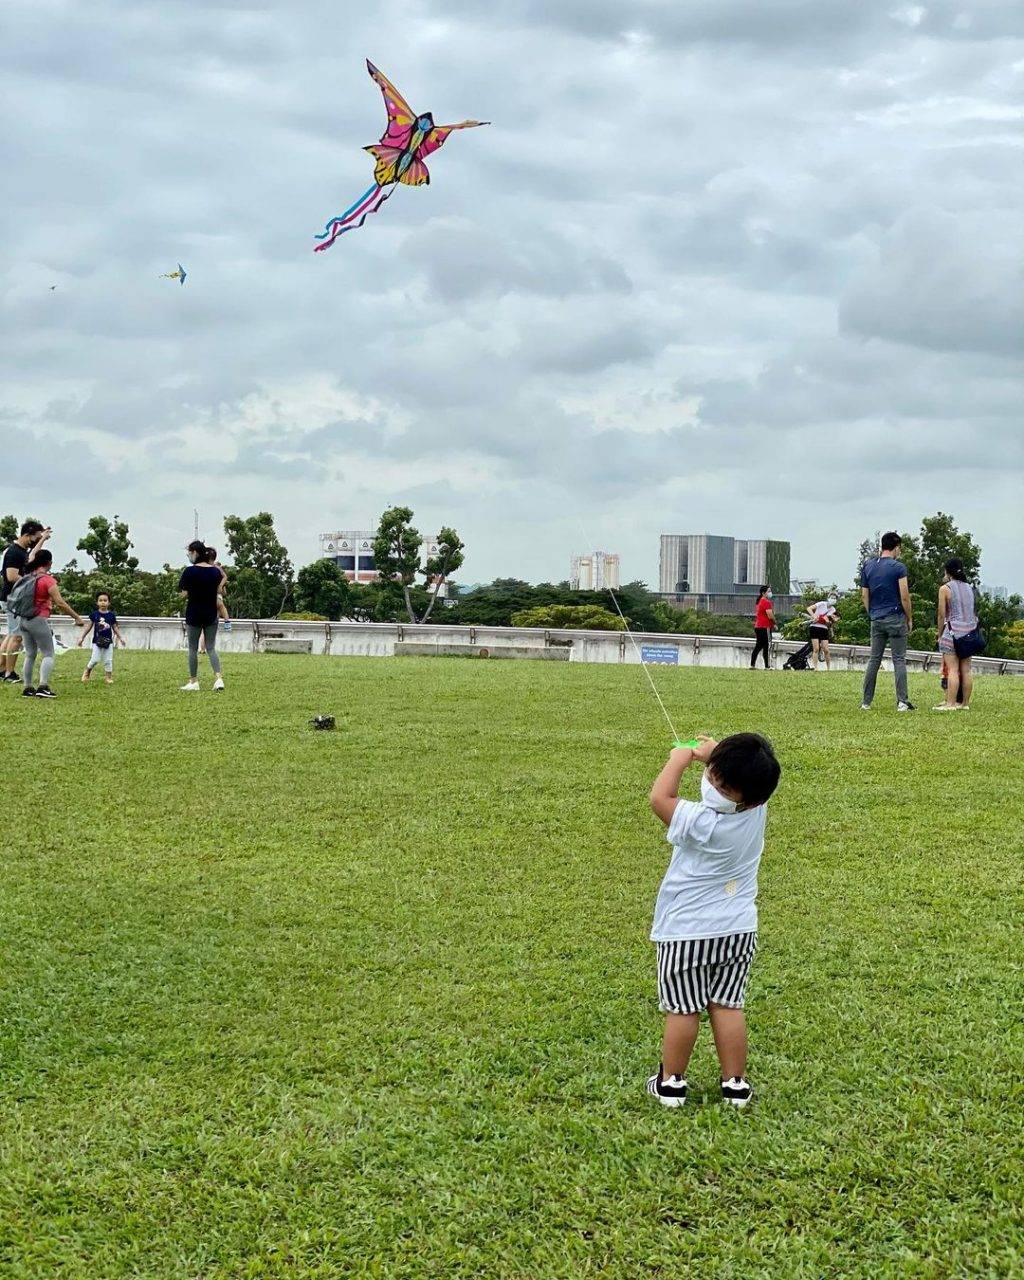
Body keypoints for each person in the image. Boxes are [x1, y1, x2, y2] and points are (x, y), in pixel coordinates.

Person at [646, 732, 782, 1109]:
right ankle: (735, 1084)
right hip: (738, 930)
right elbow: (742, 776)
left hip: (686, 932)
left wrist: (681, 757)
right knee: (727, 1005)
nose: (711, 784)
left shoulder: (700, 821)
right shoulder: (757, 808)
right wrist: (713, 756)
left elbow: (661, 799)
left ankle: (671, 1083)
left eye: (717, 781)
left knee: (683, 1008)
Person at [14, 551, 85, 698]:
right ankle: (43, 686)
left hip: (23, 620)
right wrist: (77, 618)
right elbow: (60, 603)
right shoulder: (47, 580)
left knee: (30, 654)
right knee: (48, 653)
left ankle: (27, 688)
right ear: (49, 563)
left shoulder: (27, 578)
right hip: (38, 619)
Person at [860, 532, 915, 712]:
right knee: (899, 659)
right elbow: (905, 596)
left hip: (877, 618)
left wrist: (872, 613)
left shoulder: (868, 566)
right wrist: (909, 618)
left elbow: (864, 595)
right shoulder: (898, 568)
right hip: (896, 617)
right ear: (896, 546)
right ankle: (902, 701)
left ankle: (866, 702)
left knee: (874, 660)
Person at [1, 520, 50, 683]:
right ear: (27, 534)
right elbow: (11, 577)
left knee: (11, 635)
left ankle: (2, 669)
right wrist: (32, 583)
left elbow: (31, 557)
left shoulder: (21, 550)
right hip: (12, 600)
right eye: (35, 537)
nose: (35, 541)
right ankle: (9, 673)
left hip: (12, 599)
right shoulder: (13, 552)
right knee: (17, 637)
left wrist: (43, 538)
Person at [178, 541, 225, 692]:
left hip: (194, 614)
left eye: (189, 552)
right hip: (211, 614)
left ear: (195, 553)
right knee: (211, 648)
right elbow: (219, 590)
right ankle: (218, 679)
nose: (189, 555)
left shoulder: (189, 571)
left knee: (192, 648)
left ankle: (193, 681)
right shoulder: (215, 572)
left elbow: (184, 594)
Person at [934, 558, 979, 712]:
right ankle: (964, 703)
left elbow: (941, 615)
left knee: (952, 669)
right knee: (966, 669)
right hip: (969, 633)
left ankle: (951, 703)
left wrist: (940, 634)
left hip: (953, 633)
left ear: (948, 572)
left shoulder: (945, 589)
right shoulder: (969, 588)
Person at [77, 591, 126, 684]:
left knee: (108, 660)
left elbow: (115, 627)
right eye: (100, 600)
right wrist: (81, 637)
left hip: (108, 642)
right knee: (95, 659)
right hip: (97, 641)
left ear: (109, 602)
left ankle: (108, 677)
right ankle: (87, 672)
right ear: (97, 602)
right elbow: (89, 626)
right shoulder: (94, 614)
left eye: (105, 600)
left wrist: (121, 637)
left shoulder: (111, 615)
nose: (103, 602)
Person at [198, 546, 231, 654]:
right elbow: (224, 578)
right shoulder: (212, 569)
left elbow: (224, 582)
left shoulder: (211, 569)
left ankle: (204, 649)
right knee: (220, 607)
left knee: (206, 629)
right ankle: (227, 622)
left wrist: (221, 586)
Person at [805, 595, 837, 671]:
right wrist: (813, 616)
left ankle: (828, 668)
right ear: (828, 598)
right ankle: (815, 667)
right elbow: (809, 608)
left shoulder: (833, 609)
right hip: (814, 627)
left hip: (824, 628)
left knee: (826, 649)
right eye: (832, 598)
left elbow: (830, 622)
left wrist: (828, 622)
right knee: (816, 649)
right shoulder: (822, 604)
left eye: (835, 598)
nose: (833, 600)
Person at [750, 586, 774, 670]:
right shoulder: (766, 602)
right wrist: (774, 622)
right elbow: (770, 615)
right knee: (767, 646)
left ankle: (752, 665)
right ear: (763, 593)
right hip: (765, 627)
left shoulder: (760, 601)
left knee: (758, 646)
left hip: (758, 627)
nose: (770, 593)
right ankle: (767, 666)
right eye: (769, 591)